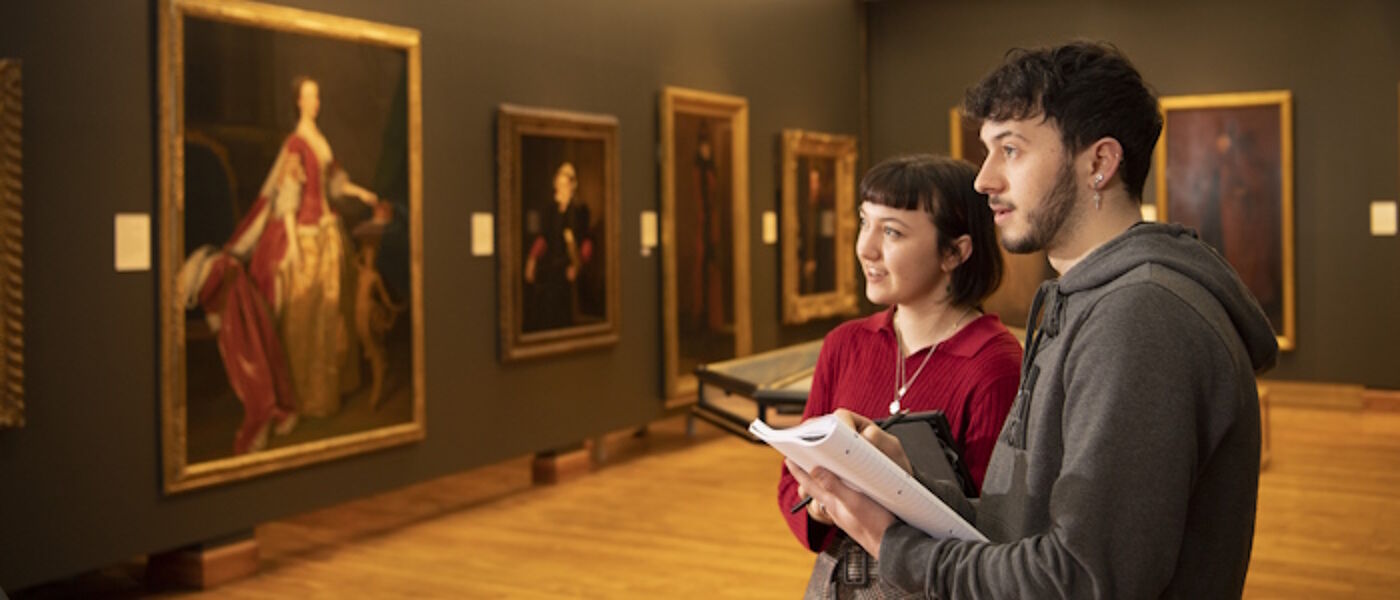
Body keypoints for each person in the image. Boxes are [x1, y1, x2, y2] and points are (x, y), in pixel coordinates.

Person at [786, 41, 1280, 598]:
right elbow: (1023, 529)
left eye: (1010, 150)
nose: (984, 180)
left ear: (1099, 162)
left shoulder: (1140, 318)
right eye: (987, 151)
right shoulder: (1084, 301)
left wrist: (896, 547)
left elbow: (1083, 580)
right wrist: (904, 479)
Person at [777, 155, 1023, 597]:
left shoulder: (995, 365)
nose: (865, 248)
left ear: (955, 252)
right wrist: (819, 503)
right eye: (864, 223)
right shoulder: (845, 344)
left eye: (891, 232)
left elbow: (995, 527)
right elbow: (788, 485)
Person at [182, 76, 379, 452]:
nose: (314, 101)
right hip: (302, 235)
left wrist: (361, 192)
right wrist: (292, 245)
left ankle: (323, 395)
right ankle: (299, 400)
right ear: (298, 102)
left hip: (325, 231)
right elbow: (288, 196)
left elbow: (334, 185)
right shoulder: (295, 142)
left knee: (326, 313)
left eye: (317, 95)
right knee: (303, 315)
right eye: (308, 96)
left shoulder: (319, 140)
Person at [524, 161, 594, 331]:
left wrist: (577, 266)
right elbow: (544, 238)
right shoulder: (550, 210)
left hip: (570, 268)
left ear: (573, 185)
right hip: (551, 267)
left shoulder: (580, 210)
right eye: (559, 183)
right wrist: (532, 260)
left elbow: (587, 242)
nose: (562, 188)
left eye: (566, 184)